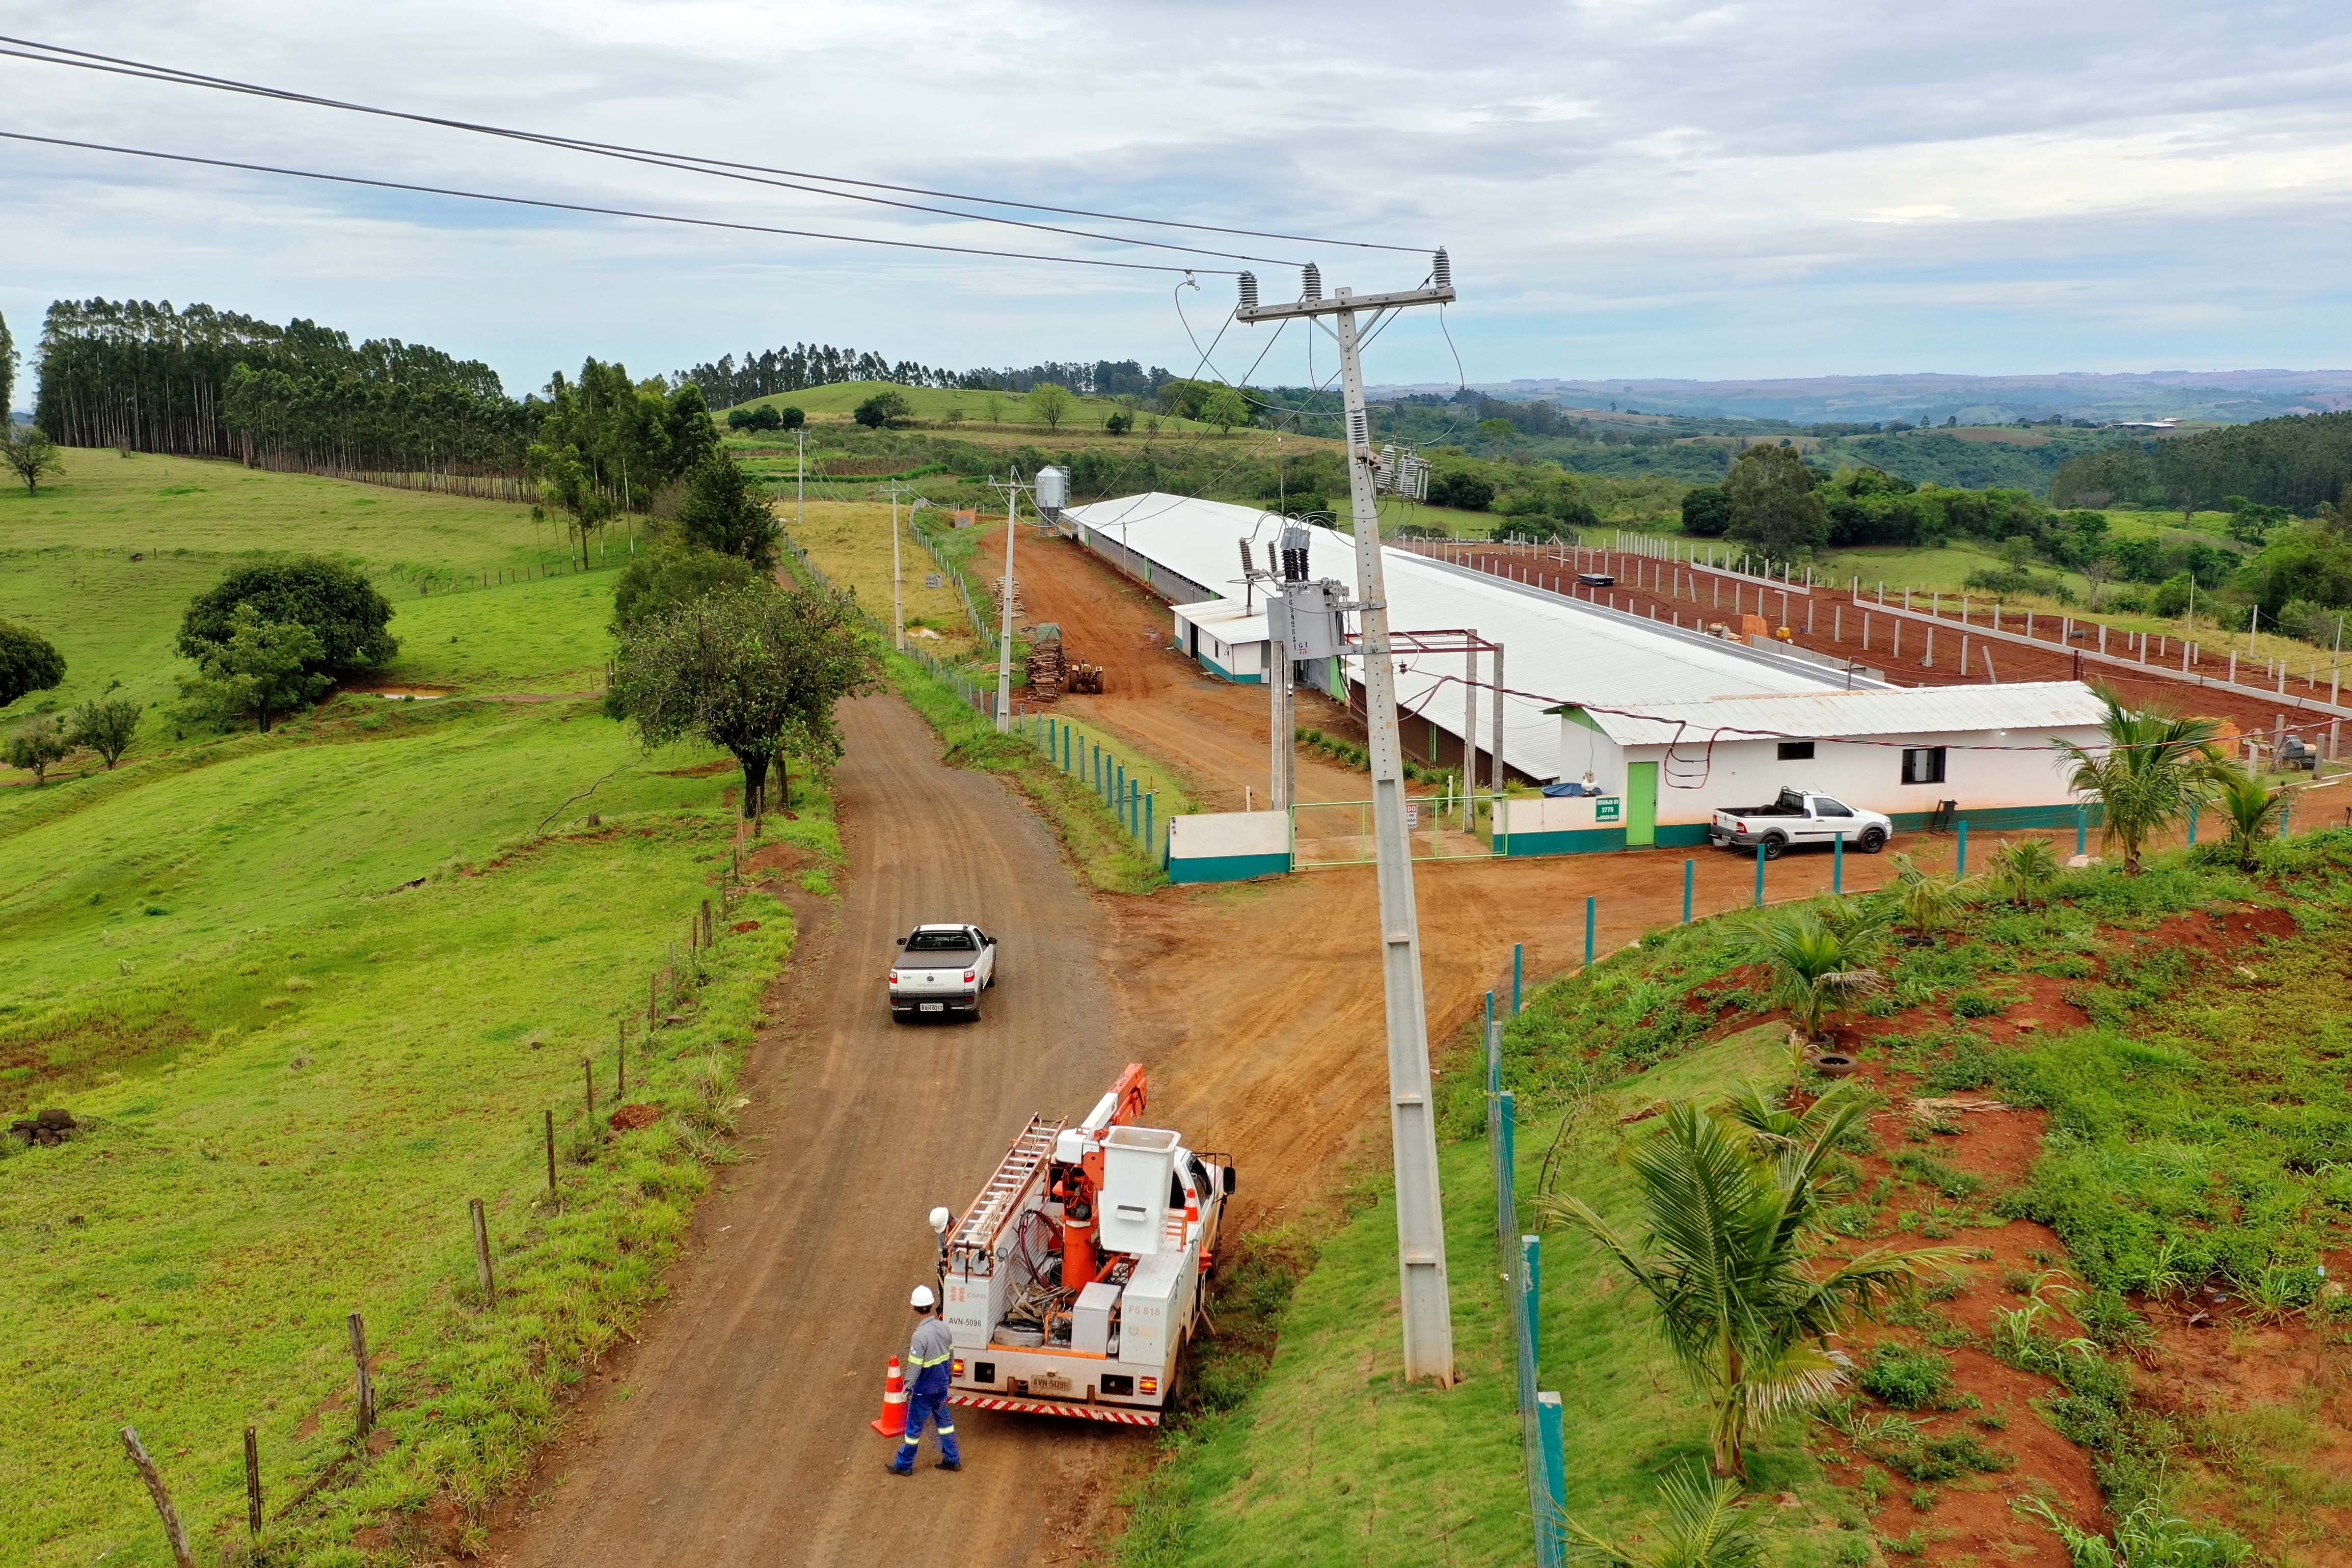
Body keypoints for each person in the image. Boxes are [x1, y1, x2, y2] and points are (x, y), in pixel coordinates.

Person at [886, 1284, 961, 1474]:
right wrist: (949, 1377)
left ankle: (904, 1466)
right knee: (945, 1424)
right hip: (942, 1388)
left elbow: (914, 1367)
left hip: (924, 1392)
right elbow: (951, 1357)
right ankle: (953, 1459)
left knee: (913, 1430)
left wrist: (907, 1390)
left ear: (914, 1308)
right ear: (931, 1305)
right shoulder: (945, 1328)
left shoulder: (919, 1336)